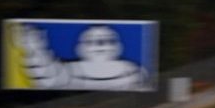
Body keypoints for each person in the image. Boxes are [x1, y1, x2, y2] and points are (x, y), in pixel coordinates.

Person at [13, 24, 148, 90]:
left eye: (109, 40)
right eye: (91, 41)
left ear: (119, 47)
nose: (100, 45)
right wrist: (35, 49)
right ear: (80, 49)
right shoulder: (71, 70)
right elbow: (47, 76)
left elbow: (144, 84)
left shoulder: (131, 69)